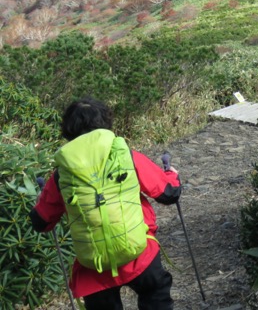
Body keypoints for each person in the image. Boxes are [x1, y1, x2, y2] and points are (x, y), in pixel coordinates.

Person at [30, 97, 182, 310]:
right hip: (140, 255)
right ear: (105, 123)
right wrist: (171, 174)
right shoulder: (126, 156)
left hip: (94, 267)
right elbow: (169, 194)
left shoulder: (62, 175)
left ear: (68, 130)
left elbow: (41, 222)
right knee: (156, 295)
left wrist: (40, 200)